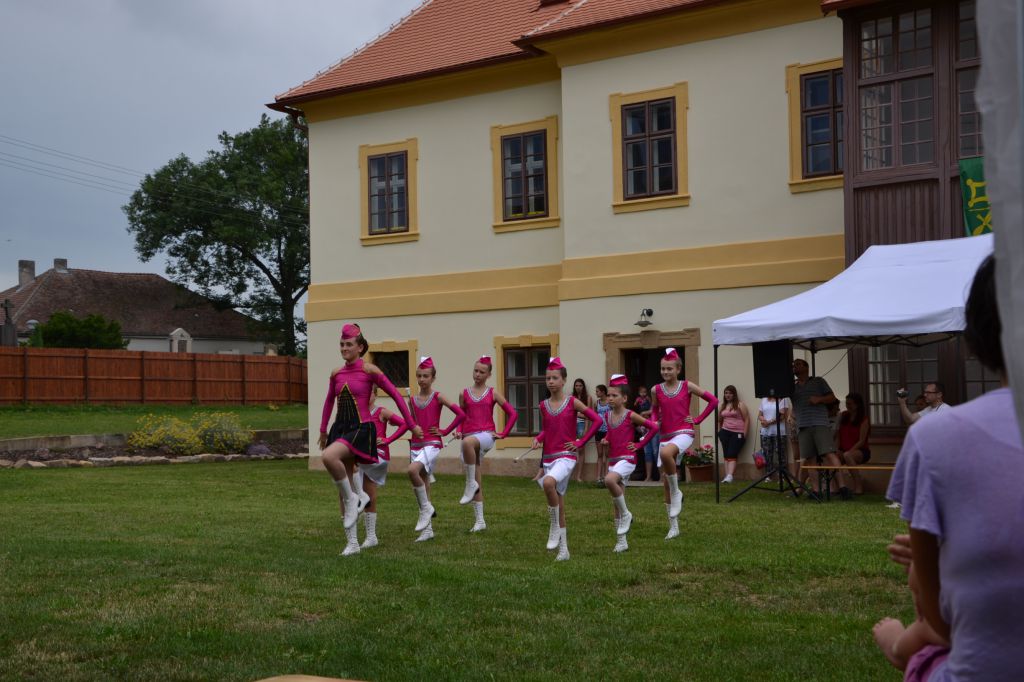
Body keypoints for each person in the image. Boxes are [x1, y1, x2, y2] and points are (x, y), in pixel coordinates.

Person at [883, 255, 1024, 679]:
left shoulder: (937, 434)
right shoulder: (929, 424)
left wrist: (931, 566)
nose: (926, 395)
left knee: (921, 652)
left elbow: (940, 624)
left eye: (930, 391)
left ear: (980, 335)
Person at [318, 323, 414, 548]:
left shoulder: (370, 370)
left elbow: (395, 395)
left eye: (349, 344)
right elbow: (329, 401)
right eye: (341, 344)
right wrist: (323, 430)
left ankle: (357, 500)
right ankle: (352, 543)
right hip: (341, 428)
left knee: (329, 457)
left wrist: (410, 423)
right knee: (344, 487)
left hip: (361, 429)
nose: (344, 348)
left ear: (360, 347)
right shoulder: (336, 373)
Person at [532, 357, 601, 561]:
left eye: (555, 378)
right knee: (559, 503)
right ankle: (564, 550)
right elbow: (548, 430)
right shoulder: (543, 405)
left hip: (566, 456)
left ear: (563, 380)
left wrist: (580, 442)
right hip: (549, 458)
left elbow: (597, 420)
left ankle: (554, 526)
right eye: (548, 378)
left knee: (548, 483)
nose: (551, 381)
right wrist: (538, 438)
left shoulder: (572, 402)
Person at [650, 348, 718, 540]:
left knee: (665, 454)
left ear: (678, 369)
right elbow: (654, 410)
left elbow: (713, 401)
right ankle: (673, 526)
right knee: (665, 482)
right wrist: (654, 421)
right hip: (665, 435)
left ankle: (677, 491)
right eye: (663, 369)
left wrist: (697, 419)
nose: (665, 372)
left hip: (683, 432)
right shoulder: (656, 390)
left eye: (669, 369)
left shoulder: (687, 386)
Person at [455, 354, 518, 532]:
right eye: (475, 370)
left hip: (485, 436)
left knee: (468, 446)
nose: (477, 374)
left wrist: (503, 433)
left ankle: (469, 484)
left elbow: (513, 414)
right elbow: (461, 417)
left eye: (482, 372)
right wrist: (458, 430)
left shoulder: (492, 393)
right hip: (469, 437)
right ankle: (480, 521)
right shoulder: (464, 393)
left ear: (489, 375)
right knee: (476, 476)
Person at [406, 356, 465, 543]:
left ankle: (427, 509)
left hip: (431, 444)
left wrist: (445, 431)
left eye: (426, 376)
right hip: (416, 444)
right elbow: (411, 423)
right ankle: (428, 530)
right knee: (422, 483)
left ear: (433, 378)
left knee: (413, 471)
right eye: (419, 376)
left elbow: (461, 414)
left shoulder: (438, 397)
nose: (422, 379)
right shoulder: (412, 400)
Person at [600, 375, 658, 553]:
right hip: (613, 460)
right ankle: (621, 541)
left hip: (627, 459)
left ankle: (627, 514)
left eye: (614, 395)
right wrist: (606, 439)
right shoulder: (608, 415)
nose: (610, 398)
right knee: (616, 502)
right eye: (609, 395)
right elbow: (612, 433)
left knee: (609, 480)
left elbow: (653, 427)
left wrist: (640, 444)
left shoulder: (630, 415)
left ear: (624, 398)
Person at [348, 390, 409, 554]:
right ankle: (371, 536)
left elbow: (405, 424)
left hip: (378, 455)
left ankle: (359, 497)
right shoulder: (356, 413)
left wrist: (388, 440)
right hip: (364, 455)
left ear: (375, 395)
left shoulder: (381, 411)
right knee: (370, 490)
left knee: (352, 463)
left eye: (369, 393)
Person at [791, 358, 839, 496]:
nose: (795, 366)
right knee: (809, 458)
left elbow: (832, 398)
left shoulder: (818, 381)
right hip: (803, 426)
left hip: (820, 423)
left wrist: (819, 399)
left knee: (829, 454)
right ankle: (816, 491)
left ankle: (842, 487)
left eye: (798, 364)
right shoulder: (792, 386)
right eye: (793, 365)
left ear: (806, 367)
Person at [835, 393, 871, 495]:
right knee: (832, 457)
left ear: (857, 405)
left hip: (860, 451)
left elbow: (862, 441)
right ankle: (837, 487)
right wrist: (837, 449)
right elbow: (838, 435)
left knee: (847, 455)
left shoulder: (864, 419)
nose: (848, 406)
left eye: (850, 404)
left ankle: (858, 487)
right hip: (843, 449)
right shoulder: (843, 416)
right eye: (846, 403)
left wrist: (849, 451)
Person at [716, 385, 749, 483]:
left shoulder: (740, 405)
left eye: (730, 393)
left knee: (732, 454)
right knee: (726, 455)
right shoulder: (723, 406)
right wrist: (719, 432)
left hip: (737, 433)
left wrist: (744, 434)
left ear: (734, 394)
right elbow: (719, 420)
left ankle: (730, 476)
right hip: (725, 432)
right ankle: (727, 477)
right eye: (726, 393)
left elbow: (747, 419)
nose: (728, 395)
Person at [757, 392, 791, 477]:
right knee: (767, 453)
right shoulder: (764, 399)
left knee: (780, 453)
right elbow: (760, 415)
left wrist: (768, 422)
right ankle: (768, 475)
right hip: (765, 431)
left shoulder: (783, 399)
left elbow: (782, 416)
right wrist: (763, 420)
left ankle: (782, 475)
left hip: (779, 432)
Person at [570, 378, 595, 482]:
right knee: (570, 449)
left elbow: (589, 415)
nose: (578, 387)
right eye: (576, 386)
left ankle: (579, 476)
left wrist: (586, 428)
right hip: (571, 425)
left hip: (581, 425)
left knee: (580, 450)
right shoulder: (571, 398)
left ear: (583, 387)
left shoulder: (588, 398)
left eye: (580, 385)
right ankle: (569, 475)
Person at [633, 385, 658, 481]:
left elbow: (655, 411)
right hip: (645, 429)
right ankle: (648, 476)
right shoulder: (639, 402)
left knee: (656, 451)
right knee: (647, 453)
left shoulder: (654, 403)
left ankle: (661, 475)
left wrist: (644, 414)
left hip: (655, 429)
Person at [594, 384, 612, 483]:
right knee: (600, 454)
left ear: (603, 392)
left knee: (607, 454)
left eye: (597, 391)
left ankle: (606, 476)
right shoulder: (596, 403)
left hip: (607, 430)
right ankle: (598, 477)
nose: (596, 393)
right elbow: (594, 416)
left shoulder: (610, 402)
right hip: (598, 430)